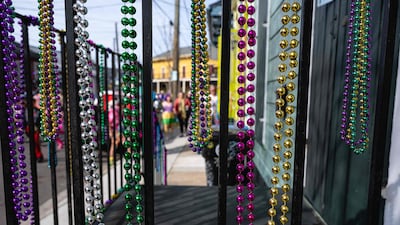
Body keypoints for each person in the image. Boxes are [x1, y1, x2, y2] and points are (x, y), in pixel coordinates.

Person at [32, 94, 45, 162]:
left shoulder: (37, 110)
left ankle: (39, 156)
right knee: (33, 143)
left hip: (36, 128)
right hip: (30, 128)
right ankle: (36, 155)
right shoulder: (27, 110)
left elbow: (39, 119)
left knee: (36, 143)